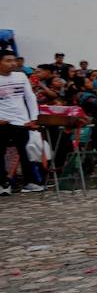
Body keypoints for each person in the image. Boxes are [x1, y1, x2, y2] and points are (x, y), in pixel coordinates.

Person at [0, 51, 43, 194]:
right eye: (8, 60)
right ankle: (4, 184)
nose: (12, 63)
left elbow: (30, 97)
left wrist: (33, 118)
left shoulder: (21, 76)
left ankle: (31, 182)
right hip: (3, 121)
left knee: (26, 152)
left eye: (14, 60)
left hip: (21, 121)